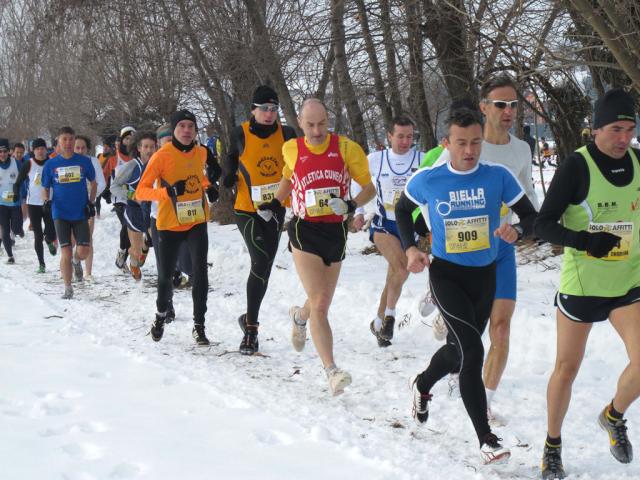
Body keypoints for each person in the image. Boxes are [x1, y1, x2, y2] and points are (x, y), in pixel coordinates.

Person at [395, 107, 536, 465]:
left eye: (476, 142)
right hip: (446, 276)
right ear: (447, 143)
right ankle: (486, 439)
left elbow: (533, 216)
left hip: (484, 276)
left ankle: (422, 385)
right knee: (473, 351)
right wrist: (411, 247)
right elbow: (402, 210)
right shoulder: (430, 178)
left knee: (458, 354)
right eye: (461, 143)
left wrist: (516, 230)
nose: (470, 150)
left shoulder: (497, 176)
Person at [534, 88, 639, 479]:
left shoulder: (638, 161)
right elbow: (541, 225)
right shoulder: (576, 168)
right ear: (595, 129)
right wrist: (585, 241)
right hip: (582, 286)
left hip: (628, 283)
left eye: (629, 129)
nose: (623, 138)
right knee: (566, 368)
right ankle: (552, 445)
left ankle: (613, 416)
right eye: (615, 129)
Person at [430, 76, 540, 421]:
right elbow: (429, 196)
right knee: (467, 338)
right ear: (483, 107)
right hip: (460, 252)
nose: (508, 111)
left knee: (502, 327)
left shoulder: (521, 149)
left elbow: (530, 203)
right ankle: (443, 314)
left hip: (500, 248)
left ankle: (486, 400)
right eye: (500, 105)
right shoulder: (462, 146)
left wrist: (520, 228)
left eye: (513, 105)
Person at [258, 98, 375, 395]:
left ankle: (299, 316)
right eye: (310, 125)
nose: (317, 130)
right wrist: (274, 202)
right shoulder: (293, 148)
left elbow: (369, 188)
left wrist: (350, 204)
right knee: (321, 302)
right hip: (304, 229)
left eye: (322, 123)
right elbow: (287, 178)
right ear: (300, 123)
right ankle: (332, 371)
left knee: (319, 299)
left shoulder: (347, 148)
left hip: (335, 230)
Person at [222, 85, 297, 355]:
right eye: (264, 108)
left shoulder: (287, 134)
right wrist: (227, 176)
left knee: (264, 268)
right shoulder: (240, 132)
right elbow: (230, 159)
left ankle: (248, 319)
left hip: (275, 208)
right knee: (260, 260)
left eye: (274, 109)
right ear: (253, 110)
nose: (269, 113)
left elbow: (296, 166)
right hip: (247, 208)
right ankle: (252, 331)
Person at [136, 110, 220, 346]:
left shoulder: (201, 152)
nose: (186, 130)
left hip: (196, 221)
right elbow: (141, 192)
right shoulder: (161, 156)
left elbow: (198, 177)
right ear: (174, 130)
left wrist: (209, 186)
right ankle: (160, 315)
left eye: (190, 126)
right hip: (169, 225)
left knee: (200, 272)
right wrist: (168, 192)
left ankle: (199, 326)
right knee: (165, 278)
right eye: (182, 126)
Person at [351, 116, 423, 347]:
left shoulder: (421, 159)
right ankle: (390, 317)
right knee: (401, 267)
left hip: (409, 227)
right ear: (389, 136)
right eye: (400, 136)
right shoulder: (376, 159)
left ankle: (379, 322)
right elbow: (357, 182)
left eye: (409, 136)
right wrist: (358, 211)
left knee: (397, 274)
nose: (405, 141)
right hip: (384, 224)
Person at [41, 126, 97, 299]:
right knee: (65, 250)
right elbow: (45, 186)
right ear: (58, 141)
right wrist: (46, 202)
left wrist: (90, 201)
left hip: (80, 212)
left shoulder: (84, 161)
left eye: (71, 139)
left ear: (74, 141)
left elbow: (93, 183)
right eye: (64, 139)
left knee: (83, 251)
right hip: (60, 213)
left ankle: (76, 261)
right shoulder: (51, 164)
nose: (68, 143)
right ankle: (68, 287)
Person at [112, 131, 157, 280]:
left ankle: (146, 247)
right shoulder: (132, 166)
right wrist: (132, 196)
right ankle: (134, 262)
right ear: (139, 148)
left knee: (158, 242)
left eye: (152, 147)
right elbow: (114, 187)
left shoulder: (160, 162)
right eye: (146, 147)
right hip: (135, 210)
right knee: (136, 252)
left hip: (153, 210)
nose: (149, 150)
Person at [13, 138, 57, 272]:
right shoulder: (29, 164)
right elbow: (18, 182)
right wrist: (16, 194)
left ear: (46, 149)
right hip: (33, 204)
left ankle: (49, 240)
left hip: (49, 202)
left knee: (51, 232)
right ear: (33, 150)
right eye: (37, 149)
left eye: (42, 148)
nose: (40, 151)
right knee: (37, 234)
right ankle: (41, 264)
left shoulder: (52, 163)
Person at [74, 135, 107, 282]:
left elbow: (102, 183)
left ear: (88, 149)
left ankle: (88, 272)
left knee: (87, 239)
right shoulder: (68, 161)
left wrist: (90, 198)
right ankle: (72, 265)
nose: (80, 151)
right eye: (77, 148)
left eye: (83, 148)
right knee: (72, 240)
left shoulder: (93, 161)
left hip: (87, 205)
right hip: (70, 205)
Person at [0, 138, 21, 263]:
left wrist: (20, 192)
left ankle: (18, 230)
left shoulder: (16, 163)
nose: (2, 154)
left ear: (9, 152)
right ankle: (10, 255)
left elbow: (24, 179)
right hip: (1, 204)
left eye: (4, 151)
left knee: (16, 228)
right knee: (5, 230)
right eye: (0, 152)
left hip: (15, 203)